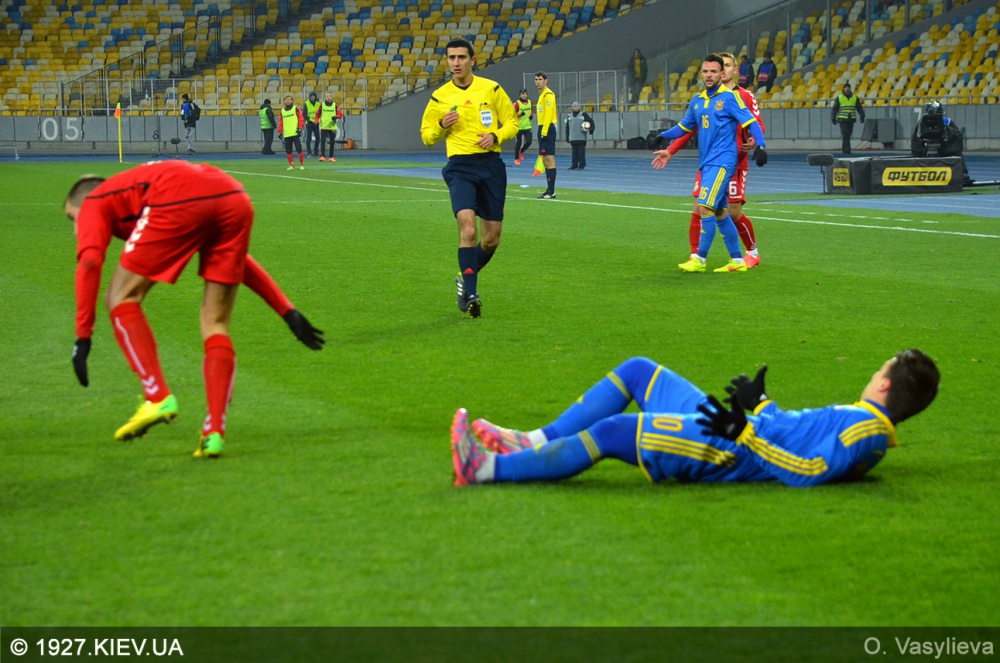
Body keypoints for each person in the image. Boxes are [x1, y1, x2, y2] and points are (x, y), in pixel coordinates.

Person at [65, 161, 325, 458]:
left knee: (120, 297)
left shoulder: (95, 200)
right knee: (215, 323)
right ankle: (214, 433)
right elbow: (238, 260)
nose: (76, 228)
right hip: (234, 197)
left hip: (178, 199)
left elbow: (89, 261)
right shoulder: (137, 194)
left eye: (72, 218)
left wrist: (83, 337)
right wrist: (287, 310)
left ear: (82, 203)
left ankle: (156, 396)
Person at [451, 349, 940, 487]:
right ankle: (531, 441)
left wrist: (744, 432)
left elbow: (808, 470)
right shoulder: (867, 424)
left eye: (878, 369)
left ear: (884, 386)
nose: (873, 373)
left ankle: (486, 469)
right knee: (639, 371)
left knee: (616, 432)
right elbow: (798, 437)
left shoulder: (867, 431)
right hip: (742, 430)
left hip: (729, 449)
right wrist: (761, 404)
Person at [419, 38, 517, 319]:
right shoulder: (439, 97)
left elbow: (513, 122)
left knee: (491, 239)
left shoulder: (491, 88)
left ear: (472, 60)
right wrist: (441, 125)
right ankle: (472, 294)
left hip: (491, 166)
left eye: (461, 57)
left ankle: (465, 279)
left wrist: (496, 135)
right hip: (460, 167)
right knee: (468, 229)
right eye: (451, 58)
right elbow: (426, 137)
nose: (456, 63)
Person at [651, 54, 767, 273]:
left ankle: (700, 259)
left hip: (724, 161)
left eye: (713, 71)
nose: (709, 75)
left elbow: (751, 121)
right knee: (721, 212)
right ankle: (737, 261)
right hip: (707, 163)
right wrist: (663, 136)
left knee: (705, 207)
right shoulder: (698, 100)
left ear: (722, 73)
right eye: (705, 71)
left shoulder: (731, 97)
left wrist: (760, 145)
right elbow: (685, 126)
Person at [534, 71, 558, 199]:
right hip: (542, 128)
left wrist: (544, 131)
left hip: (547, 128)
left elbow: (548, 114)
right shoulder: (541, 96)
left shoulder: (548, 94)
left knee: (549, 159)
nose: (538, 82)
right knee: (545, 159)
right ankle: (549, 190)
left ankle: (551, 191)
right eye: (536, 79)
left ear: (545, 81)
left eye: (540, 79)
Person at [831, 83, 865, 155]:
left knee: (848, 134)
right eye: (846, 87)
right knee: (845, 134)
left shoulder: (855, 98)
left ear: (850, 89)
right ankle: (846, 150)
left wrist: (862, 115)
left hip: (851, 119)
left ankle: (846, 149)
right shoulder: (839, 98)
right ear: (843, 89)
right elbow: (835, 109)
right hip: (842, 119)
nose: (847, 89)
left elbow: (859, 107)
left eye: (848, 87)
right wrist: (833, 117)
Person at [277, 95, 306, 171]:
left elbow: (301, 118)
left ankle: (301, 164)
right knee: (288, 151)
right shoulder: (282, 111)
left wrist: (300, 128)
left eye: (289, 99)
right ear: (284, 101)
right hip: (287, 134)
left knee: (299, 149)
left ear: (292, 101)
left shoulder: (296, 109)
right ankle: (291, 165)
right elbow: (280, 122)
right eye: (286, 99)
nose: (288, 101)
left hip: (295, 133)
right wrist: (279, 132)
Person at [564, 101, 594, 170]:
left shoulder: (583, 114)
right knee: (574, 153)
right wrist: (567, 136)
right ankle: (574, 165)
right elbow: (567, 127)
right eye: (575, 106)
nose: (576, 107)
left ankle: (581, 165)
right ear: (572, 108)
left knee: (581, 152)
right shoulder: (569, 116)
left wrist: (591, 130)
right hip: (573, 137)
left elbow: (591, 122)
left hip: (581, 138)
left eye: (577, 106)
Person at [317, 91, 343, 163]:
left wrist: (336, 116)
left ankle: (331, 157)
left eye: (329, 96)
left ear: (331, 97)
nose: (328, 97)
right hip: (324, 126)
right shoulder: (322, 105)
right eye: (327, 96)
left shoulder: (335, 105)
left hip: (332, 126)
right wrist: (317, 120)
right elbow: (318, 113)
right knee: (322, 141)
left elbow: (340, 114)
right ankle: (323, 156)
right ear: (325, 97)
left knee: (332, 142)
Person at [512, 88, 533, 166]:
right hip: (519, 127)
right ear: (520, 95)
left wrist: (531, 115)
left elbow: (532, 110)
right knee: (519, 142)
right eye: (522, 94)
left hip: (527, 126)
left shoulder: (530, 102)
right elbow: (512, 114)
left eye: (525, 94)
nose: (524, 95)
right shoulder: (517, 104)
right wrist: (519, 115)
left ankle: (522, 151)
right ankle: (516, 158)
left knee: (529, 142)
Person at [304, 91, 322, 157]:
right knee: (308, 138)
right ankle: (309, 152)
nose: (312, 97)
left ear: (315, 97)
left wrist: (318, 120)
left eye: (313, 96)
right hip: (309, 123)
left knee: (318, 138)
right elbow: (304, 114)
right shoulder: (306, 104)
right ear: (310, 97)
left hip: (316, 123)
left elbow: (320, 113)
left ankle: (316, 151)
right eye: (311, 96)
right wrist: (308, 120)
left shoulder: (318, 104)